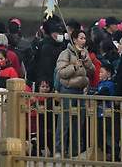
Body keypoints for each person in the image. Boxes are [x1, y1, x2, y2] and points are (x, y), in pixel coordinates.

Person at [54, 29, 94, 157]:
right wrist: (75, 67)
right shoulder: (65, 54)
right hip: (68, 90)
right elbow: (61, 72)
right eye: (81, 38)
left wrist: (86, 60)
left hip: (80, 91)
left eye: (84, 38)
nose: (83, 40)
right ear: (75, 39)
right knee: (64, 121)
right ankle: (59, 150)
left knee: (78, 122)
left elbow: (92, 70)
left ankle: (75, 150)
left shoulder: (85, 53)